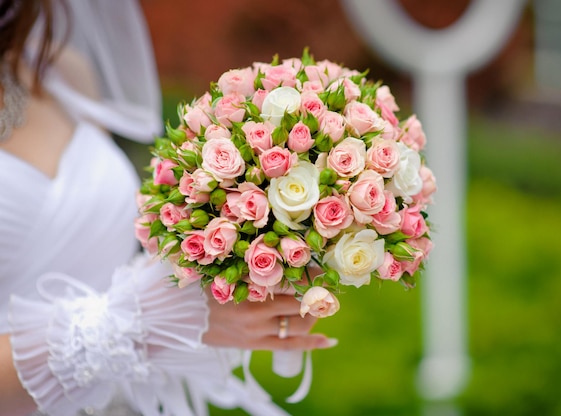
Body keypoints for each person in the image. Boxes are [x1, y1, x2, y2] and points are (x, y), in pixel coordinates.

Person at [0, 1, 335, 415]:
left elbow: (109, 265)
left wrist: (222, 272)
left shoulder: (59, 72)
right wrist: (142, 323)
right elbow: (129, 312)